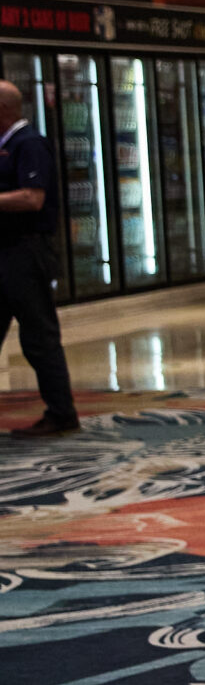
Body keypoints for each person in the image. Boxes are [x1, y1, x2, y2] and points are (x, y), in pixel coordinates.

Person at [0, 81, 77, 438]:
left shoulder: (29, 144)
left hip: (26, 253)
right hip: (5, 251)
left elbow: (33, 198)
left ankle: (61, 413)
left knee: (39, 336)